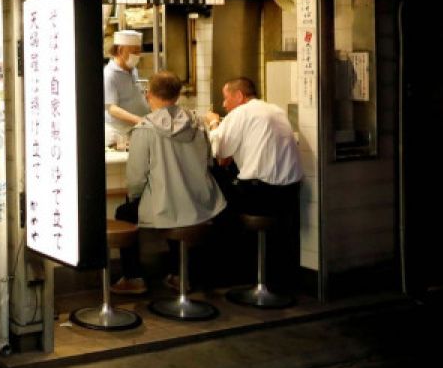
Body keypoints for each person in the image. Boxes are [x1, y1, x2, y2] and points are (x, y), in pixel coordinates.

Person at [111, 71, 226, 294]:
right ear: (178, 94)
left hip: (166, 207)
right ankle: (178, 274)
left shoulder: (145, 128)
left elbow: (136, 178)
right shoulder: (198, 123)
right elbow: (208, 161)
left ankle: (134, 278)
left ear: (149, 94)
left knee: (125, 212)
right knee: (181, 211)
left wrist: (136, 196)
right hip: (201, 203)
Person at [203, 77, 303, 290]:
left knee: (213, 199)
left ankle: (223, 275)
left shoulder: (240, 113)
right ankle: (258, 274)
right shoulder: (275, 110)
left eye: (225, 98)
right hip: (289, 194)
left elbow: (218, 151)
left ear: (239, 96)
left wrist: (213, 122)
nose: (223, 105)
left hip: (259, 194)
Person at [104, 29, 149, 148]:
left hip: (135, 130)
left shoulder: (133, 70)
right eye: (134, 52)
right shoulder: (109, 75)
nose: (137, 56)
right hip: (119, 135)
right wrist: (139, 120)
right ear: (120, 50)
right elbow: (112, 108)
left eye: (139, 52)